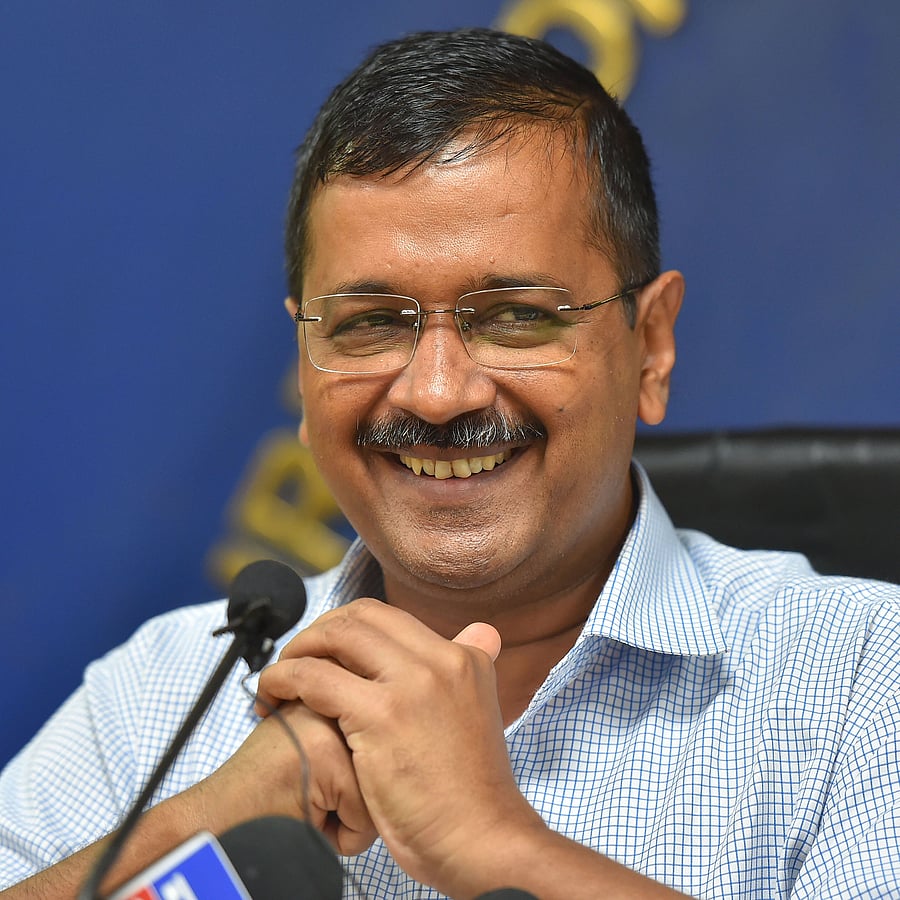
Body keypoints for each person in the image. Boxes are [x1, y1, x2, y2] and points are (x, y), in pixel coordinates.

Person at [1, 26, 898, 900]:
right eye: (371, 324)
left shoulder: (858, 680)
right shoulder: (162, 694)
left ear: (651, 348)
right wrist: (206, 823)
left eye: (515, 315)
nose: (435, 394)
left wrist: (496, 846)